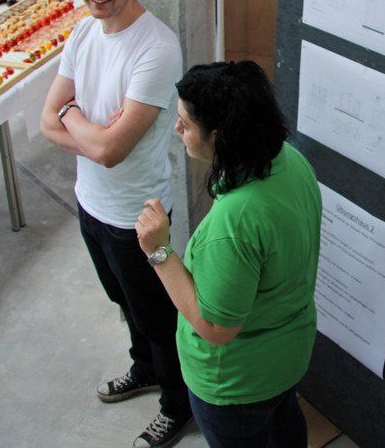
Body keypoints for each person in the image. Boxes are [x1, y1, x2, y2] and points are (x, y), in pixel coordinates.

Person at [39, 0, 190, 448]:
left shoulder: (157, 48)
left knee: (158, 318)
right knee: (124, 302)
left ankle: (177, 405)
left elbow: (111, 150)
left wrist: (73, 115)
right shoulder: (83, 34)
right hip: (91, 203)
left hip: (136, 215)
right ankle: (144, 369)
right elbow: (47, 122)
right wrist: (85, 126)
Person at [136, 61, 323, 448]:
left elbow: (216, 328)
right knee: (286, 425)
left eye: (185, 124)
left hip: (238, 382)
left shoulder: (235, 222)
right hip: (288, 355)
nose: (177, 129)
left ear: (218, 137)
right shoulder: (289, 160)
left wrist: (159, 252)